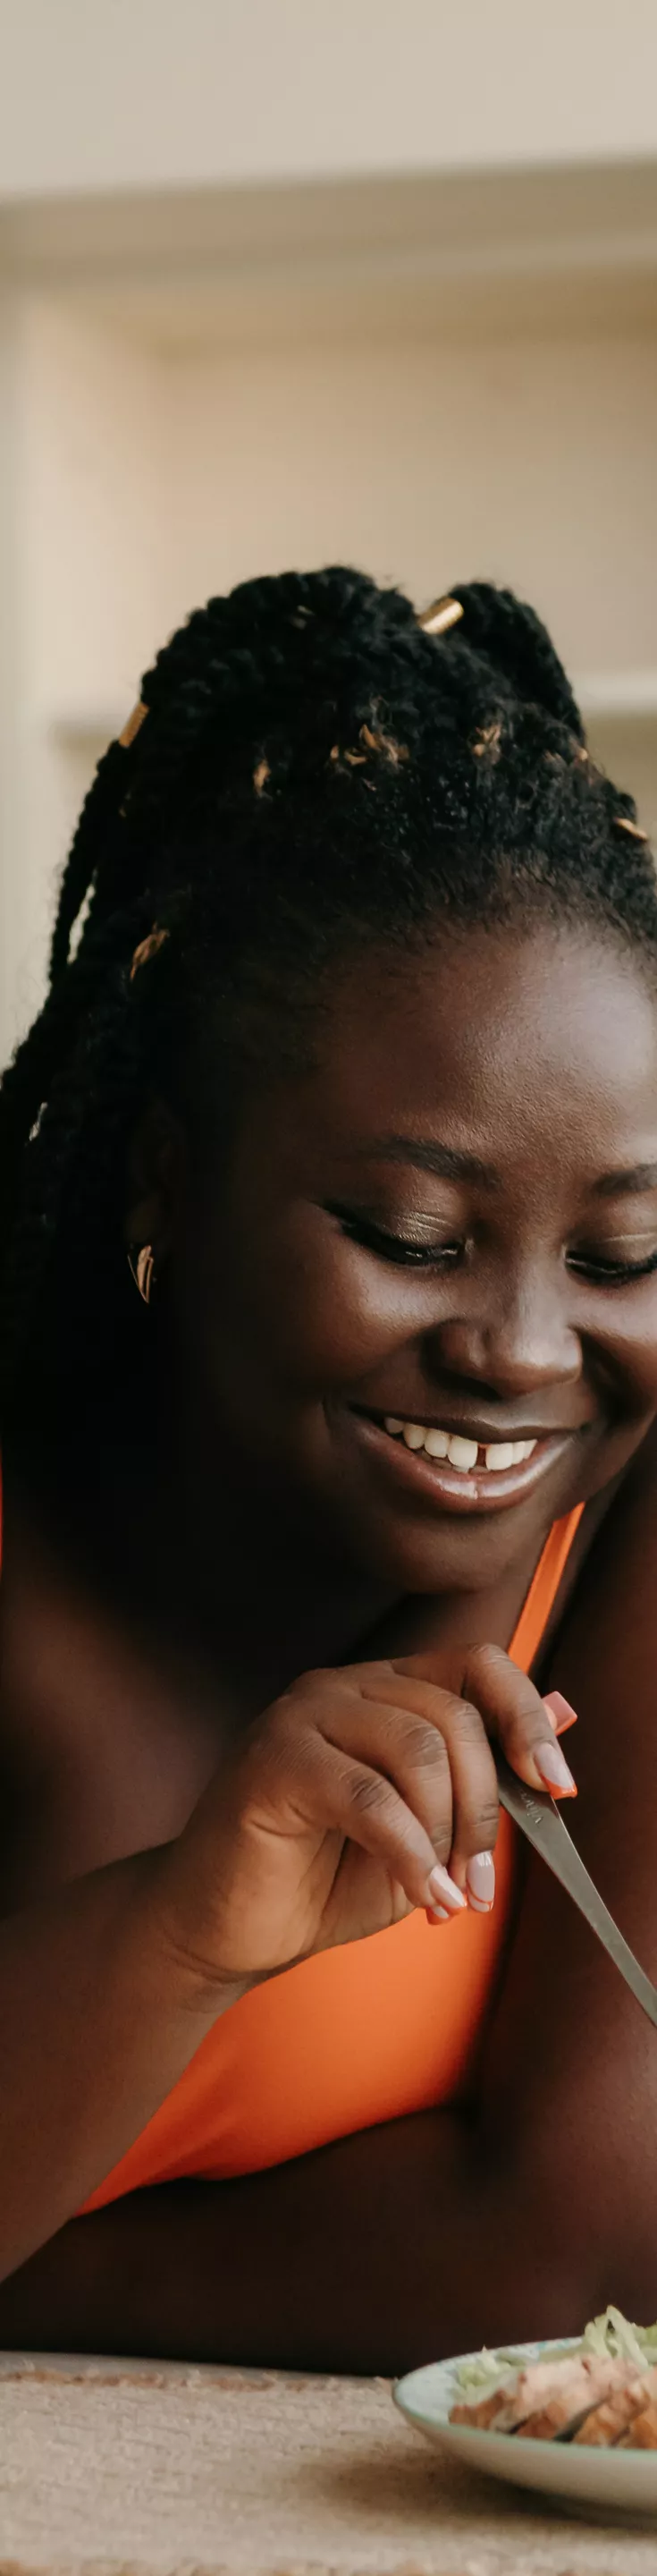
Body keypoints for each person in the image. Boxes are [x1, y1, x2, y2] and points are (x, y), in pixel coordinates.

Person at [1, 567, 657, 2376]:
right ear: (163, 1181)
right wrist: (182, 1924)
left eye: (623, 1257)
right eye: (408, 1231)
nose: (525, 1353)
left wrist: (33, 2273)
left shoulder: (622, 1525)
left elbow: (582, 2246)